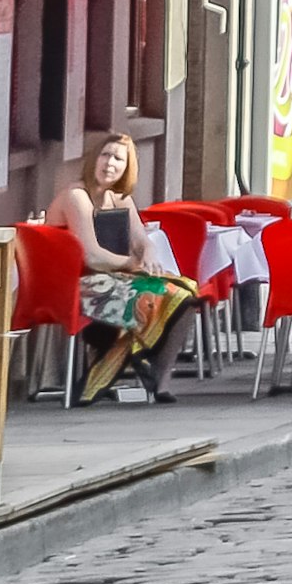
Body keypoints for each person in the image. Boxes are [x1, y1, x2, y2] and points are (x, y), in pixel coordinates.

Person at [42, 131, 191, 404]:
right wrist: (133, 264)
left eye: (118, 159)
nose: (110, 163)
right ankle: (126, 358)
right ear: (93, 159)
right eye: (105, 155)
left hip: (113, 279)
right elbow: (92, 256)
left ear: (127, 167)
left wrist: (147, 252)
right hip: (73, 285)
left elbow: (142, 240)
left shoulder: (120, 197)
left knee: (185, 293)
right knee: (148, 296)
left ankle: (160, 377)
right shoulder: (77, 196)